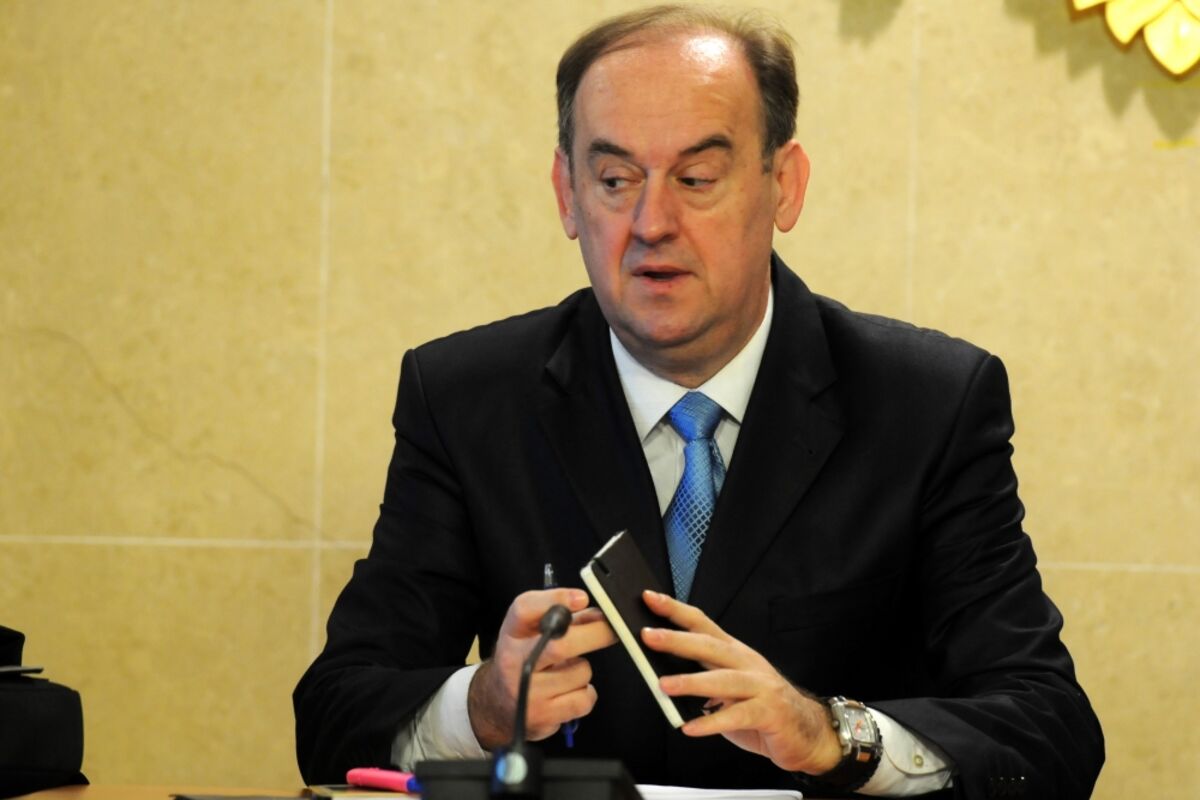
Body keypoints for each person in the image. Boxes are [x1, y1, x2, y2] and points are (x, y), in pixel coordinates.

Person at [294, 5, 1104, 798]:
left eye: (696, 179)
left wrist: (831, 735)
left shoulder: (927, 405)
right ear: (567, 193)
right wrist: (482, 706)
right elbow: (334, 714)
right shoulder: (467, 398)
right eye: (615, 181)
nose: (653, 222)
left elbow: (1048, 730)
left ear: (783, 186)